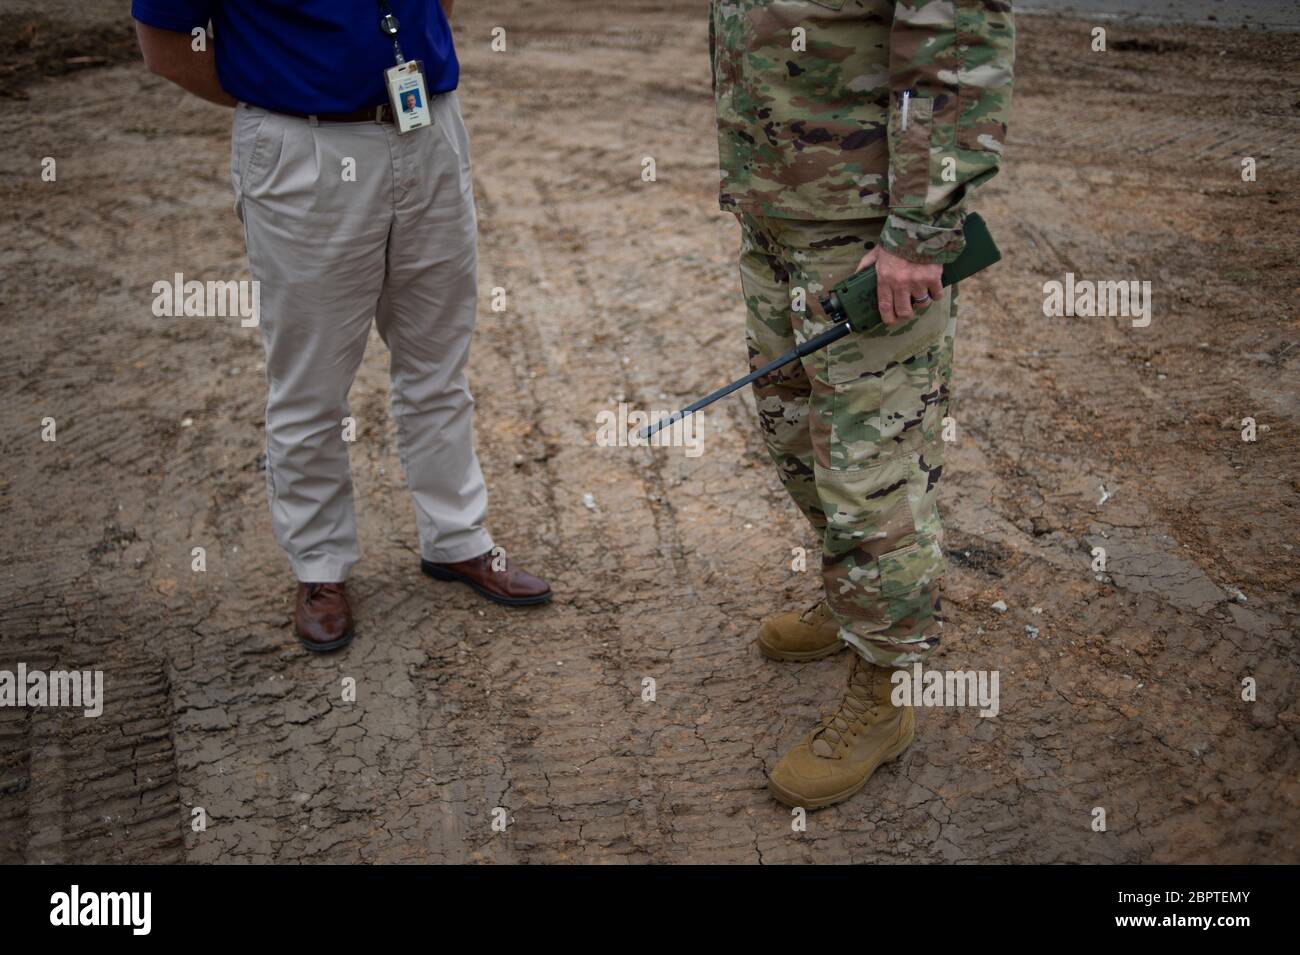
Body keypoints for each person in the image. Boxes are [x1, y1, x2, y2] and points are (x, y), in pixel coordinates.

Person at [131, 0, 552, 653]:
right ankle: (320, 568)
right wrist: (281, 90)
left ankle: (458, 537)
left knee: (437, 360)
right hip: (305, 150)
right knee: (310, 383)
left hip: (428, 124)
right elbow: (165, 43)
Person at [708, 0, 1014, 808]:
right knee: (792, 434)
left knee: (869, 478)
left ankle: (882, 692)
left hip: (867, 231)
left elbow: (951, 40)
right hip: (781, 207)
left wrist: (921, 226)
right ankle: (851, 606)